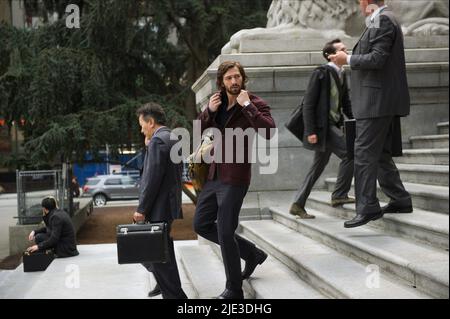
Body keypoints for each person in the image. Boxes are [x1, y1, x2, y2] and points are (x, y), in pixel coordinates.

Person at [194, 61, 276, 299]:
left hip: (236, 177)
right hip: (214, 175)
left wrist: (248, 106)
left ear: (243, 79)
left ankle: (233, 290)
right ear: (221, 81)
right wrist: (208, 111)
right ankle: (251, 254)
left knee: (225, 230)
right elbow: (198, 130)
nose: (233, 82)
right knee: (201, 224)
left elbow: (269, 131)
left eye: (237, 77)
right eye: (229, 78)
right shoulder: (216, 103)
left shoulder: (254, 102)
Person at [329, 0, 412, 228]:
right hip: (379, 101)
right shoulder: (380, 19)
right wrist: (350, 57)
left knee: (363, 153)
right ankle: (400, 199)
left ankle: (368, 207)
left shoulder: (382, 19)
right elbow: (376, 55)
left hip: (376, 102)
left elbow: (377, 59)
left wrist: (347, 59)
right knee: (382, 154)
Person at [289, 39, 355, 219]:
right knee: (350, 154)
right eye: (342, 49)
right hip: (322, 127)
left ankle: (298, 204)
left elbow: (345, 102)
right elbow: (308, 104)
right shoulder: (320, 73)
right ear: (331, 56)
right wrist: (310, 131)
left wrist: (354, 118)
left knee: (317, 167)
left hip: (332, 125)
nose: (346, 52)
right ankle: (339, 194)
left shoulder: (342, 74)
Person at [134, 102, 187, 299]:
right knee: (163, 253)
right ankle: (170, 291)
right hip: (169, 205)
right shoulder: (172, 137)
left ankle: (175, 296)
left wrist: (142, 209)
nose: (141, 130)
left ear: (151, 122)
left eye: (142, 125)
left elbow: (152, 178)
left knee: (156, 255)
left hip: (158, 206)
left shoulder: (158, 141)